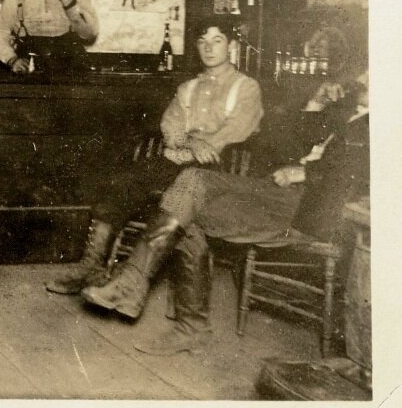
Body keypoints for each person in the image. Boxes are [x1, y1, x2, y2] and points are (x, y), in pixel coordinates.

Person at [107, 71, 370, 356]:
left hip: (307, 210)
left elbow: (364, 175)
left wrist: (305, 171)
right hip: (278, 195)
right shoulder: (347, 113)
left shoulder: (381, 123)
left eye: (369, 74)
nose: (362, 78)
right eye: (364, 73)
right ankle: (178, 318)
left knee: (191, 191)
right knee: (187, 192)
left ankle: (141, 290)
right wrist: (315, 104)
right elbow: (280, 142)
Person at [46, 18, 263, 296]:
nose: (208, 48)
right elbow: (170, 125)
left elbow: (238, 128)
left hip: (216, 170)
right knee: (120, 183)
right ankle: (92, 265)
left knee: (173, 189)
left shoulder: (245, 87)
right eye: (202, 42)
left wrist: (205, 144)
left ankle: (130, 280)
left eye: (217, 41)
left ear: (231, 46)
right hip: (178, 159)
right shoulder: (189, 88)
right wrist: (191, 142)